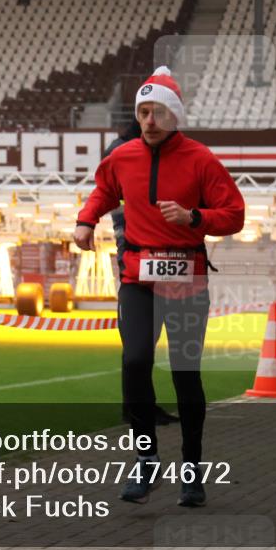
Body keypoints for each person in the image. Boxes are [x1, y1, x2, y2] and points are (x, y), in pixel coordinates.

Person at [74, 66, 245, 505]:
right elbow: (103, 190)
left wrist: (195, 218)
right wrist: (85, 220)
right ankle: (146, 461)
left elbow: (235, 214)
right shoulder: (123, 156)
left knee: (186, 376)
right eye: (143, 111)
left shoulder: (202, 160)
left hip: (186, 280)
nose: (149, 120)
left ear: (174, 116)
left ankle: (192, 469)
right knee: (134, 363)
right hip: (138, 278)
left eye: (157, 112)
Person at [105, 123, 180, 427]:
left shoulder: (128, 150)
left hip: (147, 251)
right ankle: (137, 409)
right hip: (136, 252)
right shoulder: (123, 153)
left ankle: (139, 407)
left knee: (143, 345)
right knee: (139, 346)